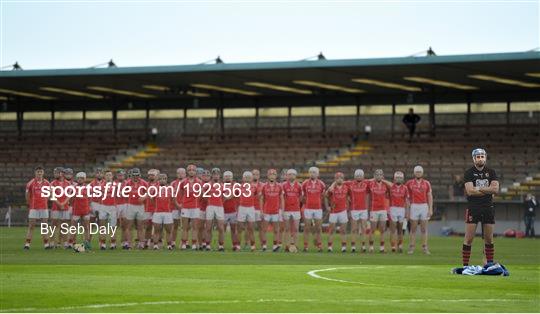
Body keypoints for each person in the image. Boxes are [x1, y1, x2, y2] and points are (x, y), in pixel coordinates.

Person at [462, 148, 499, 266]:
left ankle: (489, 264)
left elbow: (495, 189)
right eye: (478, 157)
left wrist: (477, 188)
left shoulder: (491, 172)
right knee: (469, 239)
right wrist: (487, 190)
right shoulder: (469, 173)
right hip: (473, 207)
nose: (480, 158)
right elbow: (470, 191)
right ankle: (465, 266)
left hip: (488, 207)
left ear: (486, 158)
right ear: (474, 158)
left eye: (482, 156)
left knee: (489, 239)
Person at [405, 165, 433, 254]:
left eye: (420, 172)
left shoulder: (427, 183)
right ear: (414, 173)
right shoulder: (409, 183)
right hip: (414, 206)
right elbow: (406, 197)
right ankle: (411, 247)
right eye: (417, 172)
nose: (418, 173)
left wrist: (430, 208)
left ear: (422, 173)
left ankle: (425, 247)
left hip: (424, 206)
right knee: (413, 229)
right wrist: (408, 210)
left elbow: (429, 196)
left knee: (424, 229)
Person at [24, 166, 51, 249]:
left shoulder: (47, 183)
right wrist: (29, 204)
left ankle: (46, 244)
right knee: (31, 226)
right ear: (35, 173)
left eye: (41, 172)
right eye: (38, 172)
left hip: (44, 207)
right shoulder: (31, 183)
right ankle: (27, 244)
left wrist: (45, 200)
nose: (39, 173)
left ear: (43, 173)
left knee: (44, 226)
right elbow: (27, 195)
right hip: (34, 208)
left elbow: (49, 194)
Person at [384, 171, 410, 253]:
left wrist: (407, 212)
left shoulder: (405, 188)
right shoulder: (390, 187)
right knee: (393, 229)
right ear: (394, 179)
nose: (399, 179)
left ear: (403, 179)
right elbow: (387, 198)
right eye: (397, 178)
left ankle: (400, 245)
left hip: (402, 209)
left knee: (400, 229)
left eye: (400, 178)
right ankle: (393, 246)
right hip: (393, 209)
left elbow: (407, 201)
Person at [301, 166, 326, 252]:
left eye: (314, 172)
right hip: (308, 208)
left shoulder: (322, 184)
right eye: (311, 172)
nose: (312, 173)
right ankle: (305, 246)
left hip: (318, 208)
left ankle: (319, 245)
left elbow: (323, 196)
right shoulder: (304, 183)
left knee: (319, 228)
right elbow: (302, 196)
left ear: (318, 174)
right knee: (307, 227)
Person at [260, 169, 284, 252]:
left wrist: (282, 210)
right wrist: (261, 211)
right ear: (268, 176)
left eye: (273, 174)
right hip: (266, 211)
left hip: (276, 211)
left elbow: (282, 198)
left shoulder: (279, 186)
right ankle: (264, 245)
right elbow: (261, 199)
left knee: (276, 229)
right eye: (270, 174)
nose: (272, 175)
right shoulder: (264, 186)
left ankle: (275, 246)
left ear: (276, 176)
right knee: (264, 229)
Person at [346, 169, 370, 253]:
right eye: (357, 175)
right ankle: (353, 246)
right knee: (354, 229)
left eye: (360, 175)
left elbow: (375, 179)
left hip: (363, 209)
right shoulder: (349, 184)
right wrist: (331, 186)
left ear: (363, 176)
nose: (359, 177)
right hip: (354, 209)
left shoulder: (366, 183)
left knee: (364, 228)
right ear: (354, 176)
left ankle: (363, 246)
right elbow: (339, 182)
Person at [178, 165, 202, 250]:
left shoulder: (199, 182)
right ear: (187, 172)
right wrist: (180, 203)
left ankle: (194, 244)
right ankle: (184, 244)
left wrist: (196, 200)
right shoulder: (183, 182)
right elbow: (180, 193)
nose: (191, 171)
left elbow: (201, 194)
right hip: (185, 207)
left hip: (195, 207)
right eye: (190, 170)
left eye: (193, 170)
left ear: (195, 172)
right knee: (185, 227)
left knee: (195, 227)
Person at [124, 168, 148, 249]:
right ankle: (129, 243)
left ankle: (141, 243)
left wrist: (144, 196)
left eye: (137, 175)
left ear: (139, 175)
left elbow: (149, 192)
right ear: (131, 176)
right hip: (131, 205)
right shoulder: (128, 183)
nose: (135, 177)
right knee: (129, 226)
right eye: (134, 175)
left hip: (140, 206)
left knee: (140, 226)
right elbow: (124, 193)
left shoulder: (144, 183)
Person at [325, 172, 350, 253]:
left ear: (343, 179)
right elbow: (325, 196)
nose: (340, 179)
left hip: (343, 211)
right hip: (333, 212)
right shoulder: (331, 188)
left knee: (343, 230)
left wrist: (348, 206)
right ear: (335, 179)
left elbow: (349, 197)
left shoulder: (346, 187)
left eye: (341, 178)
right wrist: (327, 207)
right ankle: (329, 247)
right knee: (331, 230)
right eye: (338, 178)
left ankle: (343, 247)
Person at [368, 169, 390, 253]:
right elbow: (364, 180)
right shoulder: (370, 184)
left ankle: (382, 247)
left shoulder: (385, 185)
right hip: (374, 210)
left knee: (382, 229)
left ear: (383, 176)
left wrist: (383, 180)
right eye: (377, 175)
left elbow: (392, 186)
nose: (378, 176)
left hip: (383, 210)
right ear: (374, 176)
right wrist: (373, 179)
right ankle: (371, 247)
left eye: (380, 175)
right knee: (372, 230)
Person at [204, 168, 226, 251]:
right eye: (214, 174)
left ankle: (221, 246)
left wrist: (220, 202)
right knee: (208, 227)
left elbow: (224, 197)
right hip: (210, 207)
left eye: (217, 174)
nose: (216, 175)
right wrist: (210, 201)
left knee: (221, 227)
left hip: (219, 207)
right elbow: (203, 195)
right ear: (212, 175)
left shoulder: (222, 185)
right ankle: (208, 245)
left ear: (219, 175)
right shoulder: (207, 185)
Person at [282, 169, 302, 252]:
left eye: (293, 174)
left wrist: (296, 203)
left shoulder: (299, 185)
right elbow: (282, 197)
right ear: (287, 176)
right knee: (287, 228)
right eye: (289, 174)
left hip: (296, 209)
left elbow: (301, 197)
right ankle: (287, 245)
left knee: (296, 229)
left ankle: (295, 245)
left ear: (295, 176)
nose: (291, 176)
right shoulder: (283, 185)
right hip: (287, 209)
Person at [152, 173, 174, 250]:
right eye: (161, 179)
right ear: (158, 180)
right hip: (157, 212)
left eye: (164, 179)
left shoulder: (170, 188)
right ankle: (155, 245)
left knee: (168, 230)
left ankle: (169, 245)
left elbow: (173, 199)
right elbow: (152, 199)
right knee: (157, 230)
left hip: (167, 212)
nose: (162, 180)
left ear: (166, 179)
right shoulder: (154, 188)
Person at [69, 172, 91, 250]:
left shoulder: (88, 188)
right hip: (76, 210)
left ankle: (86, 243)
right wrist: (71, 207)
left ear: (84, 179)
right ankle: (72, 243)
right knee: (73, 227)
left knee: (86, 227)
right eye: (78, 178)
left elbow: (90, 199)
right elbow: (71, 199)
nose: (80, 180)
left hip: (85, 210)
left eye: (81, 178)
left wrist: (89, 207)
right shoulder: (74, 188)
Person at [50, 167, 70, 248]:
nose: (55, 174)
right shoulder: (52, 183)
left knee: (64, 225)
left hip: (65, 207)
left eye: (56, 173)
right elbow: (52, 195)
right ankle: (51, 242)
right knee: (54, 225)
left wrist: (63, 204)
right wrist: (59, 204)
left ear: (61, 173)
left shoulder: (68, 184)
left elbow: (69, 195)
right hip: (55, 207)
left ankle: (64, 242)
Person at [237, 171, 257, 251]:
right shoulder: (239, 187)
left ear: (251, 178)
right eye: (246, 177)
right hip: (242, 208)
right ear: (243, 178)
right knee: (240, 228)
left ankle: (252, 246)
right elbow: (234, 196)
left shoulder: (254, 187)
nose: (247, 179)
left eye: (249, 177)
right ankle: (238, 246)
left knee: (251, 228)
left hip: (251, 208)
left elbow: (258, 196)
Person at [99, 170, 118, 250]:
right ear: (104, 176)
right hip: (103, 206)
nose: (108, 177)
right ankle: (103, 243)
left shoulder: (116, 185)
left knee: (112, 226)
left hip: (112, 207)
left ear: (112, 176)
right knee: (102, 225)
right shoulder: (101, 185)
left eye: (110, 175)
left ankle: (113, 243)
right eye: (107, 175)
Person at [223, 171, 240, 251]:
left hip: (233, 210)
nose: (228, 177)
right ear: (223, 177)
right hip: (223, 211)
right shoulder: (220, 186)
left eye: (229, 176)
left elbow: (237, 195)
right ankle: (221, 245)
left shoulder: (236, 185)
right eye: (226, 176)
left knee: (234, 229)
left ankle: (235, 245)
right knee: (222, 229)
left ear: (232, 177)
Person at [170, 167, 186, 248]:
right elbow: (171, 196)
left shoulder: (188, 182)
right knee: (174, 225)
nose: (180, 174)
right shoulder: (173, 183)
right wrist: (177, 204)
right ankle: (172, 242)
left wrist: (183, 205)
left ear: (185, 174)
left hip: (185, 206)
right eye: (179, 173)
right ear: (176, 174)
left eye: (182, 173)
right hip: (175, 206)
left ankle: (183, 242)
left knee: (185, 226)